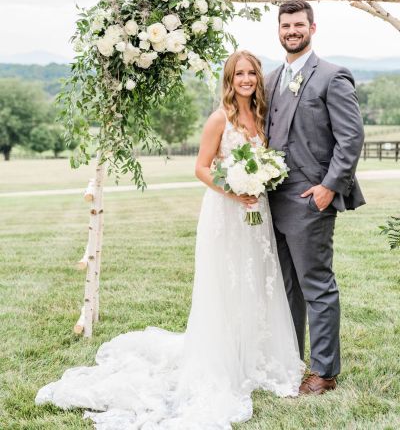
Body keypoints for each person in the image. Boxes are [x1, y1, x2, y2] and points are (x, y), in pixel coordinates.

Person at [36, 50, 304, 430]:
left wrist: (257, 185)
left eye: (251, 73)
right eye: (239, 74)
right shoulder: (219, 119)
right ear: (230, 80)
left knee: (256, 281)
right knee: (224, 285)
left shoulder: (261, 117)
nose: (246, 79)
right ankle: (222, 358)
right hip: (225, 211)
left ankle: (253, 356)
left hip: (255, 213)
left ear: (258, 79)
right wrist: (235, 190)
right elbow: (200, 168)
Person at [265, 0, 366, 396]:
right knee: (286, 286)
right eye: (285, 24)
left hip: (311, 199)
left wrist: (329, 187)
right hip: (272, 199)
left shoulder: (332, 76)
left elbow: (351, 137)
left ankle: (324, 372)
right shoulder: (271, 79)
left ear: (312, 27)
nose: (292, 30)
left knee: (316, 285)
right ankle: (290, 360)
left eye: (298, 24)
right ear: (278, 30)